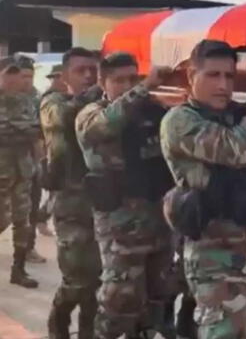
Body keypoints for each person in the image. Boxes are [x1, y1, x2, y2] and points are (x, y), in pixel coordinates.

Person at [160, 40, 246, 338]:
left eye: (230, 76)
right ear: (190, 77)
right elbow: (231, 149)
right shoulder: (180, 121)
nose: (223, 85)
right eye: (213, 75)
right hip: (217, 258)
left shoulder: (244, 116)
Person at [75, 52, 177, 338]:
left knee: (158, 297)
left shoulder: (156, 112)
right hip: (120, 223)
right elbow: (107, 124)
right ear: (102, 82)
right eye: (119, 80)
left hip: (159, 219)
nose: (128, 85)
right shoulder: (90, 114)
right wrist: (143, 88)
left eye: (134, 79)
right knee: (119, 300)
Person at [40, 47, 102, 339]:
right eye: (81, 70)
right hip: (69, 201)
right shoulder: (53, 102)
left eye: (94, 69)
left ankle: (87, 333)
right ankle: (59, 322)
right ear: (64, 76)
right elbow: (64, 117)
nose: (89, 76)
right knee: (78, 277)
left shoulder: (103, 107)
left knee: (99, 281)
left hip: (101, 202)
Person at [0, 56, 41, 288]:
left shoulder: (28, 100)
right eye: (9, 73)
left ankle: (19, 269)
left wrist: (16, 129)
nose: (15, 79)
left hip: (23, 170)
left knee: (22, 221)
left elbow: (36, 129)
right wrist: (20, 129)